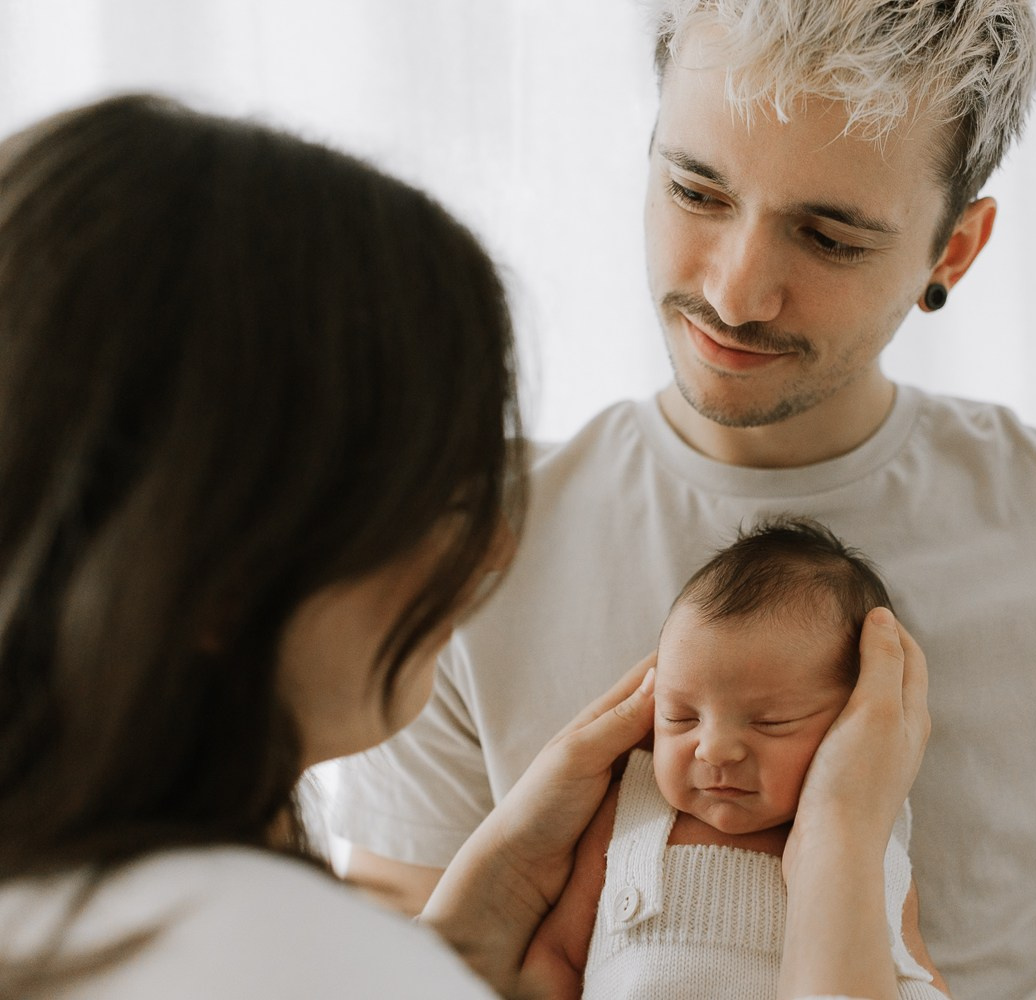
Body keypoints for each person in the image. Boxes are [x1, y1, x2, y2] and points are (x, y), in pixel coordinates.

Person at [331, 2, 1036, 997]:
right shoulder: (466, 544)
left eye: (828, 237)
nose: (736, 292)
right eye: (697, 191)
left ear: (952, 251)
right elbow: (385, 964)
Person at [0, 93, 930, 1000]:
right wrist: (841, 835)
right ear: (216, 559)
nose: (490, 551)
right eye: (442, 491)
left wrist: (455, 948)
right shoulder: (268, 954)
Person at [521, 518, 949, 999]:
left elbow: (911, 968)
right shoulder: (630, 814)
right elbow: (556, 955)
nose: (714, 749)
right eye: (681, 718)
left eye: (770, 722)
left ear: (856, 725)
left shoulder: (867, 833)